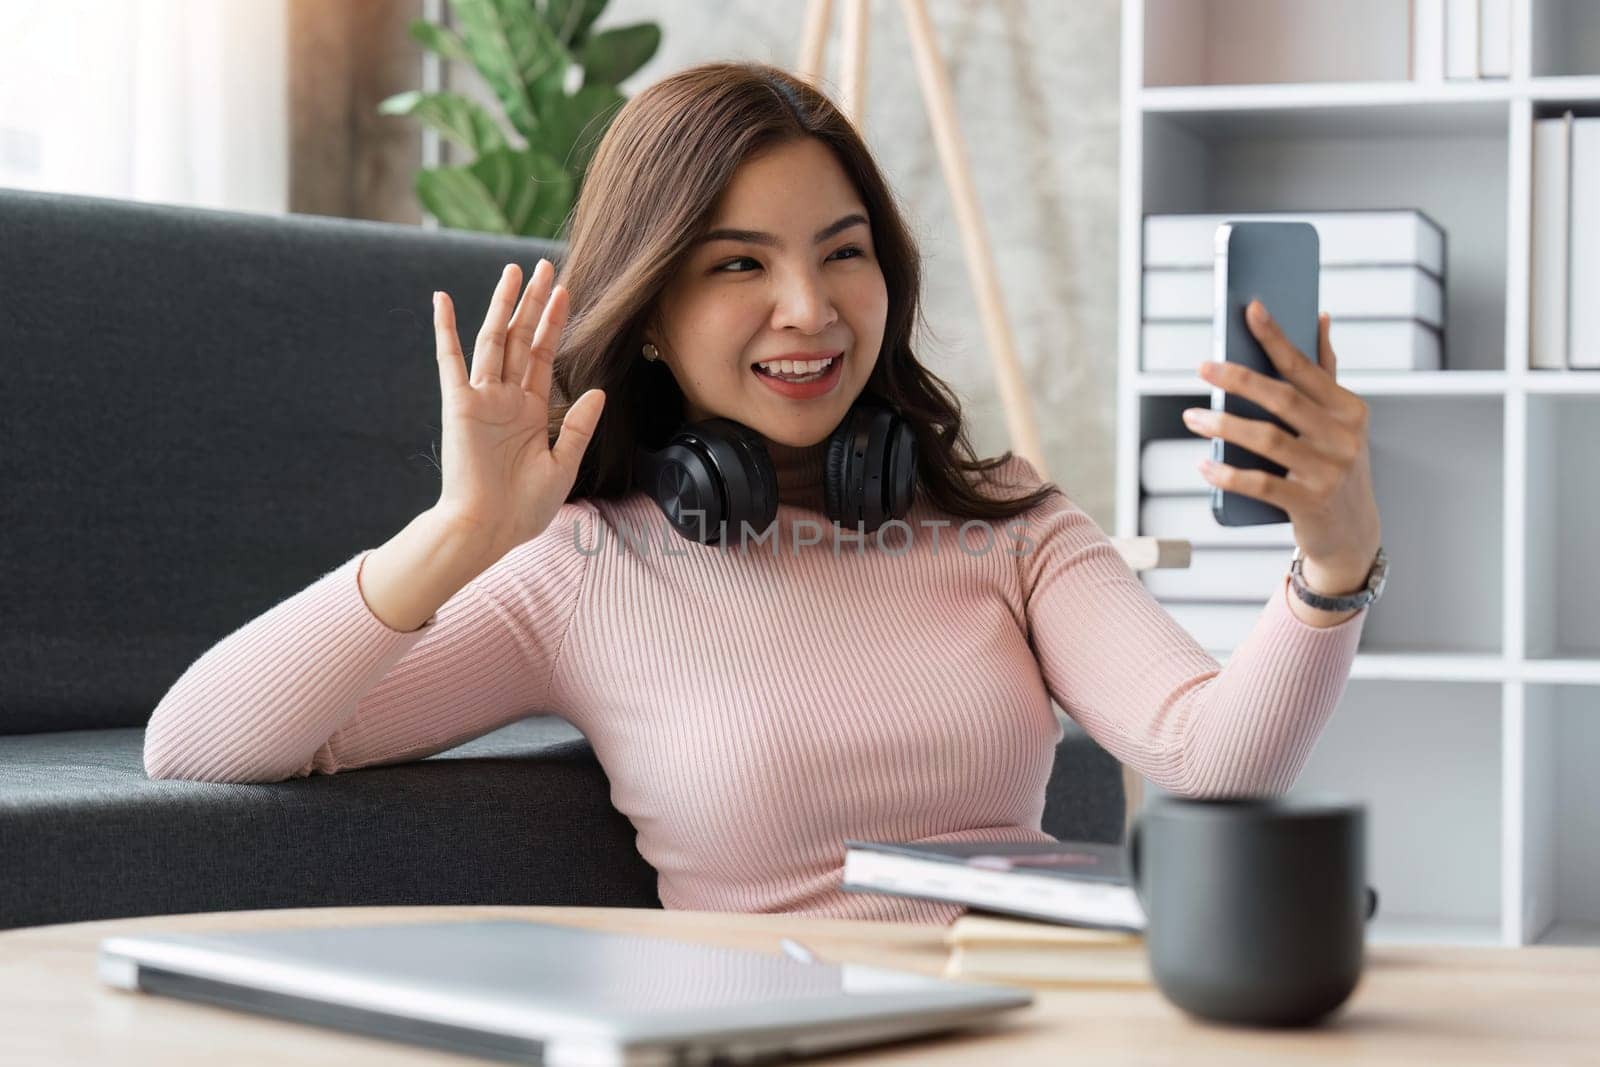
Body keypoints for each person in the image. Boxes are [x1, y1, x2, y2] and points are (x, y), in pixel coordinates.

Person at [142, 61, 1382, 924]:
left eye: (843, 252)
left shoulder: (1005, 520)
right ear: (648, 317)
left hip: (1040, 1011)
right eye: (740, 263)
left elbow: (1213, 757)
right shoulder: (580, 569)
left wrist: (1334, 562)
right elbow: (196, 743)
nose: (810, 308)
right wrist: (463, 531)